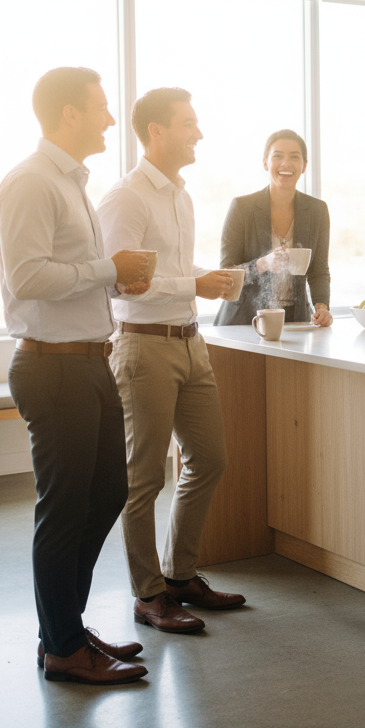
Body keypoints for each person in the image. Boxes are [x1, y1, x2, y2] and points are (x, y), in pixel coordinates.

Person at [0, 66, 150, 685]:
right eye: (101, 108)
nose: (112, 119)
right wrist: (107, 270)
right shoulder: (32, 183)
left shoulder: (70, 184)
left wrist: (109, 275)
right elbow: (26, 278)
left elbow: (74, 271)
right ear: (68, 115)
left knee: (108, 491)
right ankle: (61, 646)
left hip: (88, 361)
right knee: (63, 510)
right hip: (52, 367)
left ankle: (62, 625)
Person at [96, 88, 246, 636]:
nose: (199, 133)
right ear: (156, 131)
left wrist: (209, 278)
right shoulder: (125, 197)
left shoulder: (180, 195)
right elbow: (120, 281)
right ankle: (148, 594)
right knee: (143, 479)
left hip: (190, 341)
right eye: (188, 123)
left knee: (209, 459)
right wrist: (194, 283)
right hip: (143, 346)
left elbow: (169, 270)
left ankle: (181, 576)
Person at [214, 129, 332, 326]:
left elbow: (319, 271)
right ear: (265, 162)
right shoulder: (242, 207)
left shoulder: (317, 211)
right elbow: (226, 273)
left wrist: (322, 308)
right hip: (243, 321)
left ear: (303, 166)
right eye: (278, 156)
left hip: (296, 322)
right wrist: (263, 264)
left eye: (294, 157)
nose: (286, 163)